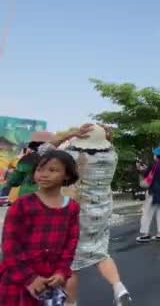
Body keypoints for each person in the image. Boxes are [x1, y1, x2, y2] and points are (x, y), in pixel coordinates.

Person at [42, 124, 133, 305]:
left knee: (70, 264)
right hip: (102, 210)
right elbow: (108, 143)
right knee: (100, 252)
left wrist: (71, 133)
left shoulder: (71, 156)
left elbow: (43, 149)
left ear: (82, 139)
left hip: (76, 214)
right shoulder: (111, 155)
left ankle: (70, 303)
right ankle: (119, 289)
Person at [0, 150, 80, 305]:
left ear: (67, 175)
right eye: (40, 169)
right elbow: (10, 245)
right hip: (19, 279)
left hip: (51, 280)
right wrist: (30, 278)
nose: (44, 174)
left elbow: (71, 242)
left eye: (52, 170)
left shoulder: (71, 208)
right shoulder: (22, 204)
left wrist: (61, 271)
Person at [136, 145, 160, 243]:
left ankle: (145, 234)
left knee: (147, 213)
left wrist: (141, 169)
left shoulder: (155, 164)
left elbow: (148, 175)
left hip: (154, 192)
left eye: (155, 154)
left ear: (157, 155)